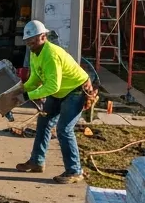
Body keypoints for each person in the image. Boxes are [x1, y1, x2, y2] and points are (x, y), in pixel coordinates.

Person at [14, 20, 96, 183]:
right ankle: (37, 162)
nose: (30, 43)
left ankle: (74, 171)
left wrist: (28, 96)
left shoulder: (51, 54)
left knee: (64, 129)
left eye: (33, 40)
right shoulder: (34, 52)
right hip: (59, 91)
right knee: (44, 121)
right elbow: (36, 78)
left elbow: (52, 85)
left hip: (75, 90)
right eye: (28, 41)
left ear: (43, 37)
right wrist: (22, 89)